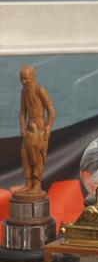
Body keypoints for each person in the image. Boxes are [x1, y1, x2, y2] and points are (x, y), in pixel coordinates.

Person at [18, 65, 55, 196]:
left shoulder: (40, 90)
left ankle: (37, 185)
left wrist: (48, 127)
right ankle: (28, 183)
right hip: (29, 128)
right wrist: (22, 127)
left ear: (33, 77)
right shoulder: (23, 91)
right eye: (22, 79)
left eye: (27, 79)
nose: (24, 82)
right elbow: (22, 112)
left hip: (40, 127)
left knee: (39, 156)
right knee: (25, 154)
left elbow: (51, 110)